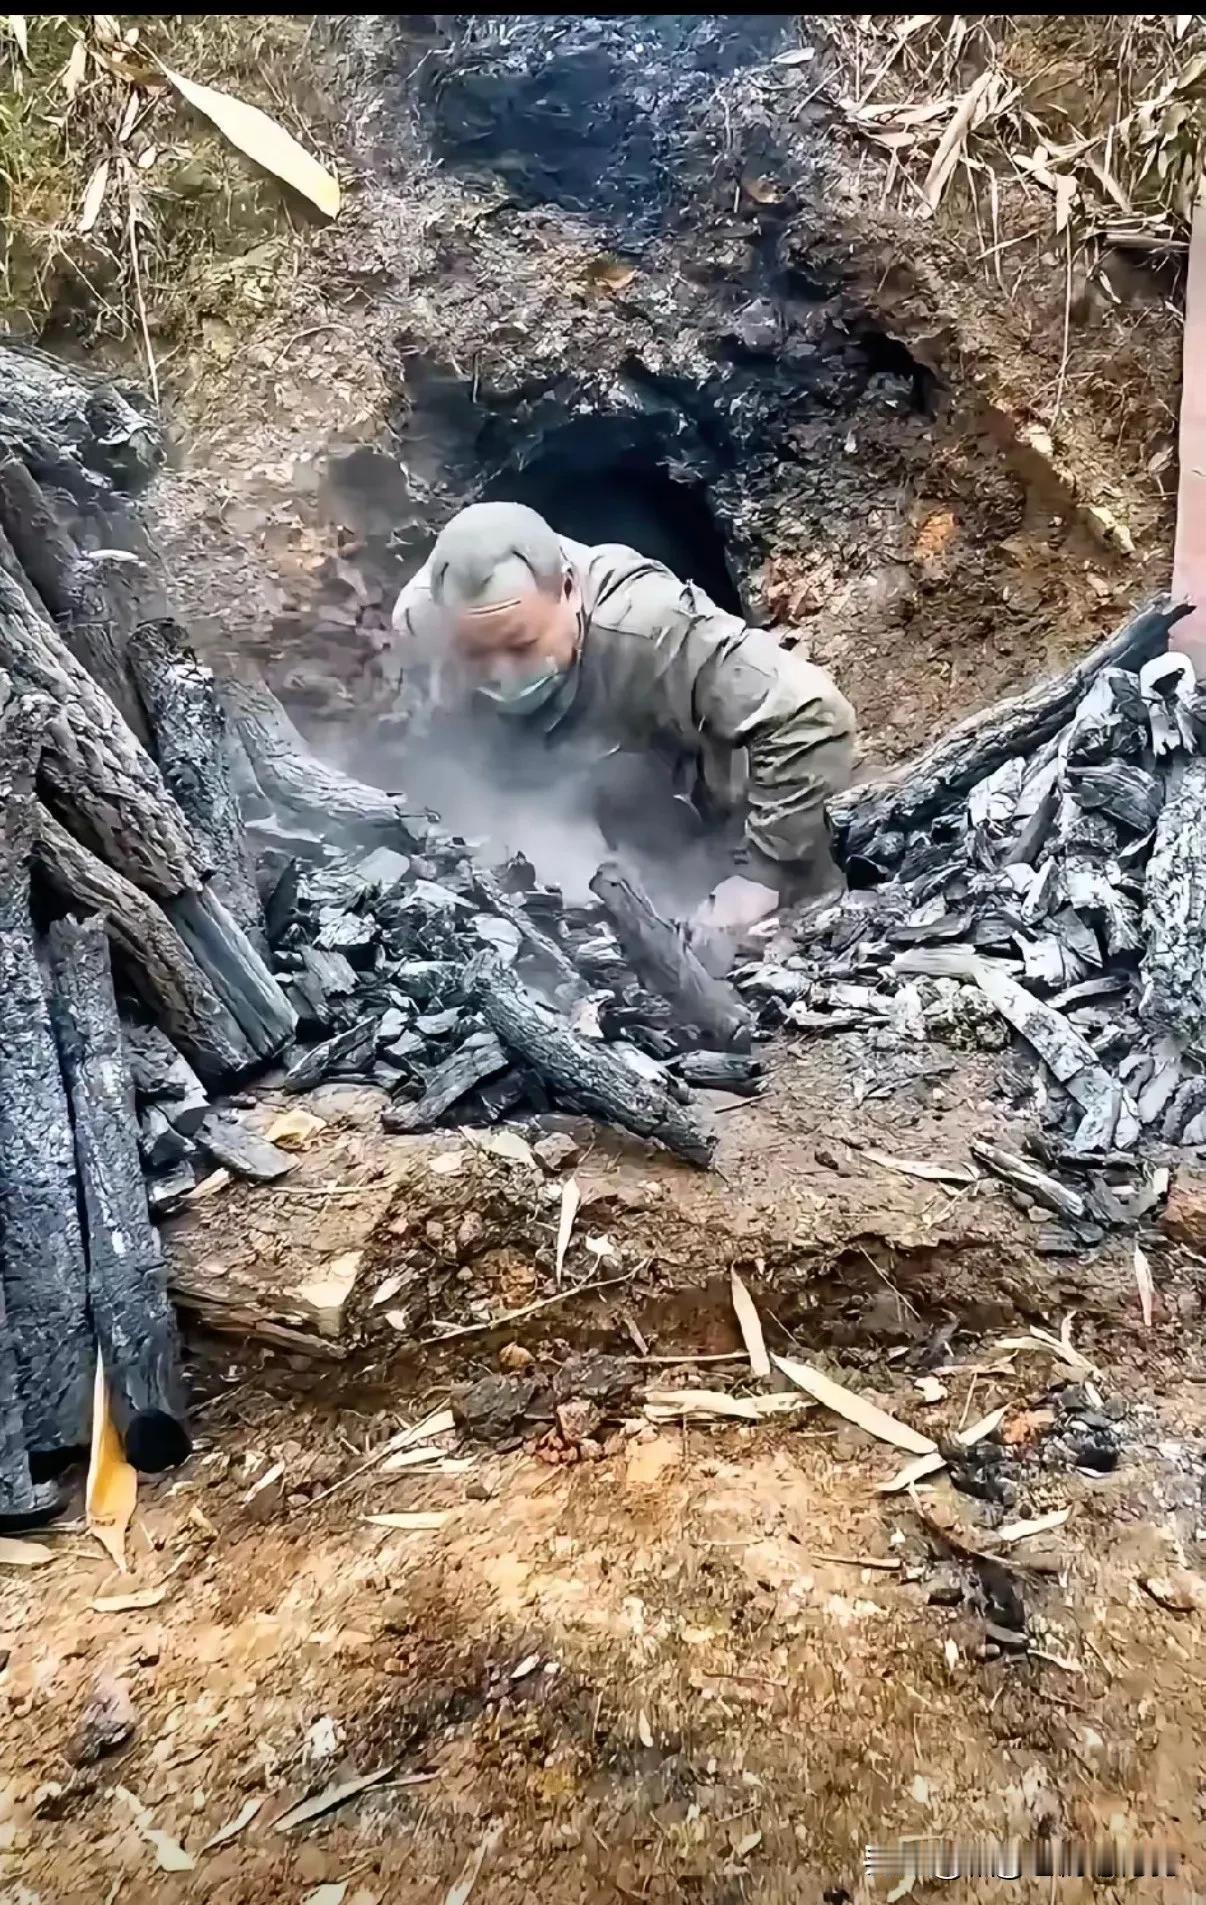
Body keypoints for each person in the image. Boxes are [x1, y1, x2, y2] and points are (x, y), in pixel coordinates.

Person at [390, 500, 855, 947]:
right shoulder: (421, 626)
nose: (500, 672)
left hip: (708, 792)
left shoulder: (649, 624)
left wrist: (763, 875)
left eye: (519, 645)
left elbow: (810, 713)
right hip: (567, 786)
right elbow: (440, 742)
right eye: (476, 654)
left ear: (569, 592)